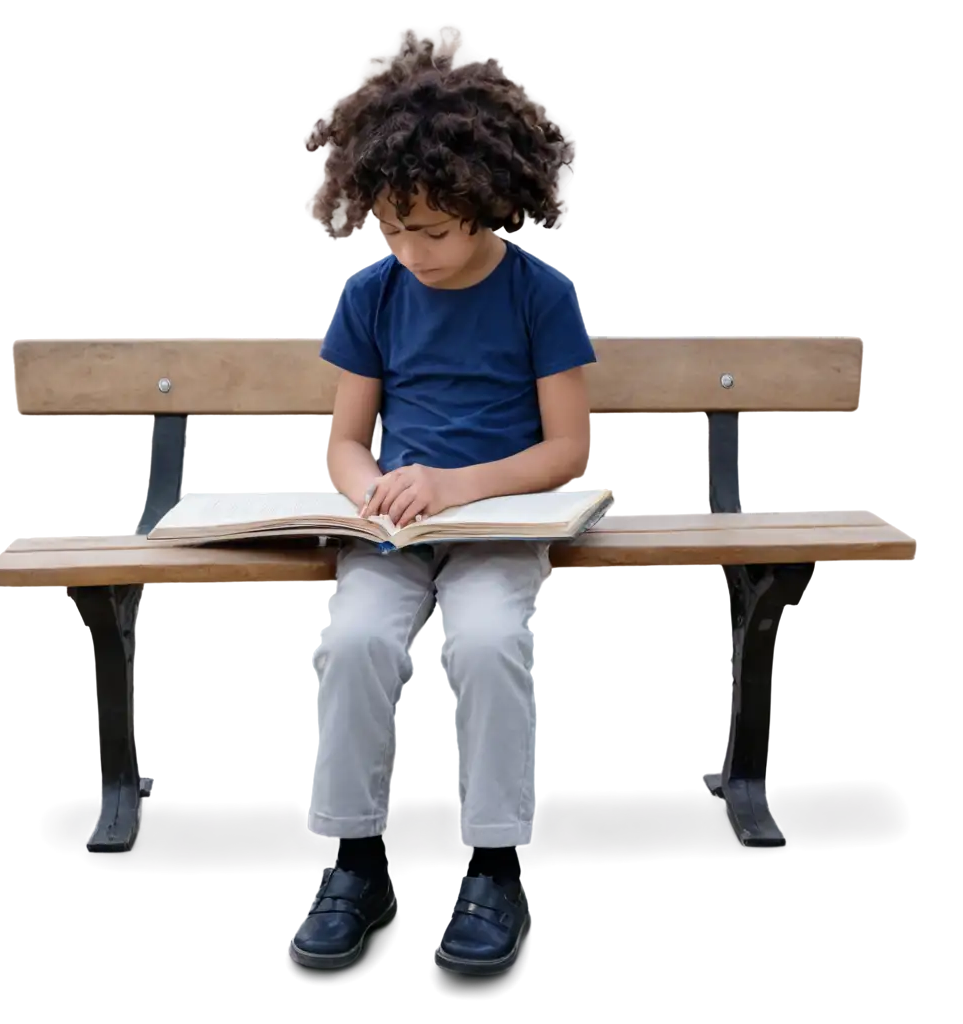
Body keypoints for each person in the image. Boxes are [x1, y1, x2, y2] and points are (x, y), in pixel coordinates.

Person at [287, 20, 597, 979]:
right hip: (394, 529)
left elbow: (570, 446)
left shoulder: (537, 296)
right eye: (392, 229)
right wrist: (364, 491)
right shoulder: (372, 295)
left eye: (432, 231)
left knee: (490, 640)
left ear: (485, 203)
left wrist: (460, 485)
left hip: (496, 524)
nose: (413, 252)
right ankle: (354, 862)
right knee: (350, 641)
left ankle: (494, 865)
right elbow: (344, 438)